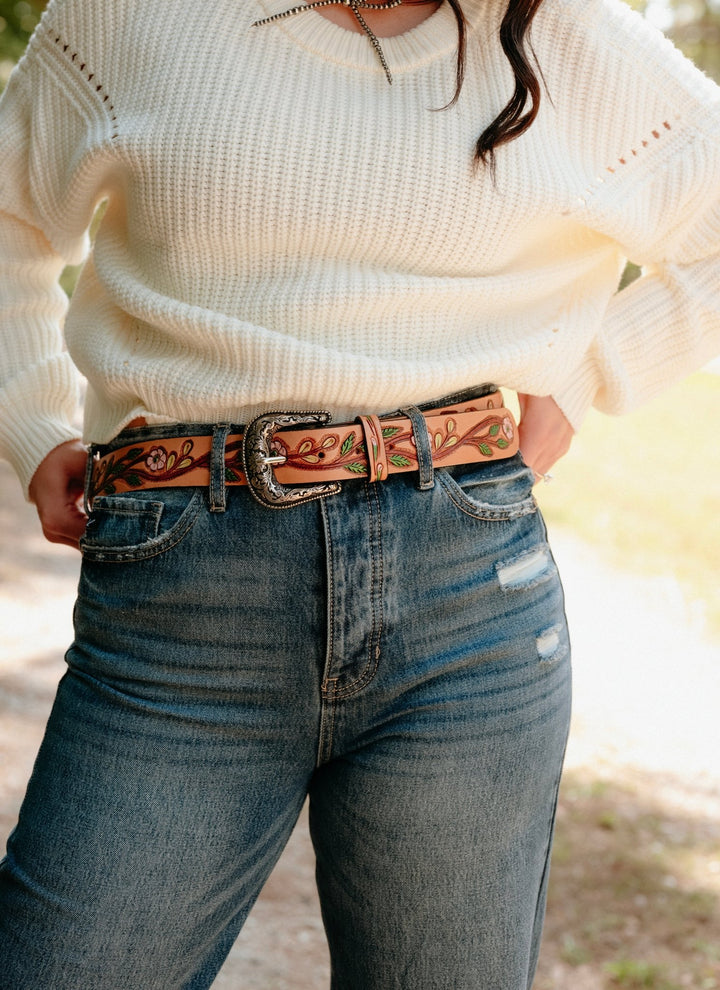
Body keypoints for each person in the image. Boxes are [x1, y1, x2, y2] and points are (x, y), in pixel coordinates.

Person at [0, 0, 718, 986]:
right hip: (182, 607)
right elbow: (11, 220)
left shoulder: (570, 38)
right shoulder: (131, 13)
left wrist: (592, 373)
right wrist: (31, 417)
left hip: (468, 605)